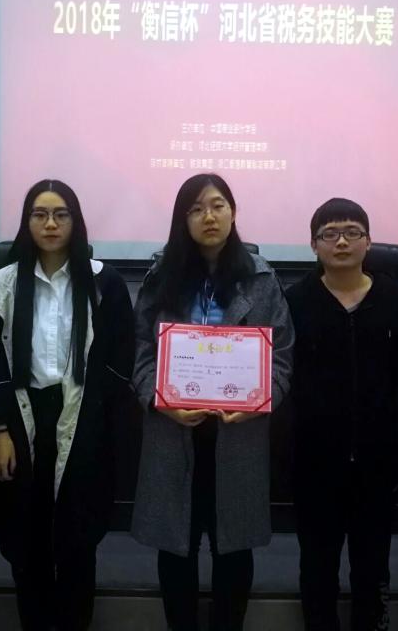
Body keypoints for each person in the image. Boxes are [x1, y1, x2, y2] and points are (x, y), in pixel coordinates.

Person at [131, 173, 294, 631]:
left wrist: (260, 400)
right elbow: (140, 349)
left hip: (237, 431)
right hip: (173, 430)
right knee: (175, 546)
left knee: (234, 549)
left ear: (233, 213)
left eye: (218, 205)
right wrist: (158, 399)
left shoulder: (261, 278)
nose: (209, 216)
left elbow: (282, 355)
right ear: (182, 218)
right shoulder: (161, 277)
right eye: (197, 208)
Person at [0, 179, 135, 631]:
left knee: (77, 540)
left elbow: (121, 356)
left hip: (84, 416)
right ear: (26, 222)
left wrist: (97, 416)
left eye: (60, 214)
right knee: (26, 538)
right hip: (20, 419)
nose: (50, 224)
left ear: (75, 221)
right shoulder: (0, 286)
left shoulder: (104, 282)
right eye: (40, 214)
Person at [286, 198, 398, 631]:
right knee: (317, 564)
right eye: (330, 234)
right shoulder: (295, 300)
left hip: (378, 458)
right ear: (314, 245)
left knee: (372, 564)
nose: (341, 242)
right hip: (315, 459)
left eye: (352, 232)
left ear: (368, 242)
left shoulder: (393, 297)